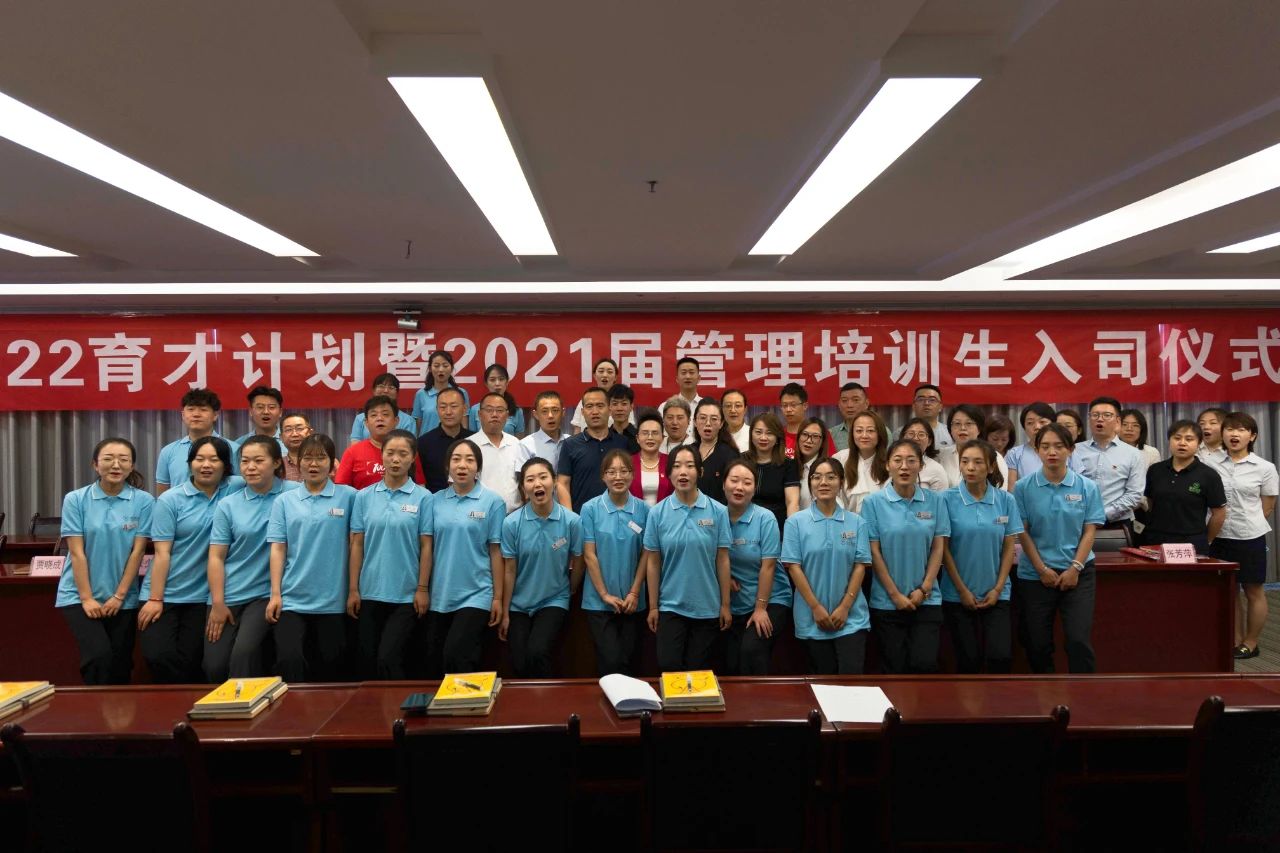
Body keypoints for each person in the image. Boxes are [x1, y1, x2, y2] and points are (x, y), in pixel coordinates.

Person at [138, 436, 244, 683]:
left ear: (226, 465)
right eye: (199, 459)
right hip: (165, 592)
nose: (206, 465)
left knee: (192, 663)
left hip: (202, 597)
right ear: (189, 464)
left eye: (214, 459)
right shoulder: (170, 500)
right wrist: (155, 598)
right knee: (158, 655)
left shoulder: (236, 488)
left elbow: (271, 481)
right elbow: (162, 553)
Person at [57, 437, 153, 685]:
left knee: (121, 663)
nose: (116, 465)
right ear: (95, 465)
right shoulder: (76, 499)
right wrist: (87, 598)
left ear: (131, 466)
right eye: (108, 459)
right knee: (98, 657)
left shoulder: (144, 501)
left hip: (123, 597)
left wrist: (119, 596)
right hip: (78, 595)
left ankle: (120, 711)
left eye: (123, 459)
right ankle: (95, 709)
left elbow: (137, 552)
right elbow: (77, 553)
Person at [204, 436, 299, 683]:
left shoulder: (294, 494)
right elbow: (216, 556)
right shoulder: (228, 504)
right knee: (214, 666)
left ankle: (243, 707)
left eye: (258, 461)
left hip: (265, 593)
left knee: (244, 655)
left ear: (276, 462)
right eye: (245, 461)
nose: (250, 467)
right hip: (229, 592)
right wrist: (217, 603)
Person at [1014, 422, 1106, 674]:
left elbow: (1090, 531)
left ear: (1071, 449)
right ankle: (1044, 693)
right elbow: (1022, 532)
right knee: (1037, 643)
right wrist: (1042, 569)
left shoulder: (1086, 487)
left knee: (1078, 640)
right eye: (1045, 446)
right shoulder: (1023, 487)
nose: (1051, 452)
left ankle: (1083, 691)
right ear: (1037, 450)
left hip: (1078, 572)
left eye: (1058, 446)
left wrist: (1075, 567)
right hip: (1035, 575)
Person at [266, 433, 357, 682]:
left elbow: (357, 545)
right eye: (307, 458)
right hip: (293, 598)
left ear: (332, 463)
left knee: (331, 665)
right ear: (298, 462)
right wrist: (275, 594)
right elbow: (278, 548)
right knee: (289, 660)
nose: (313, 464)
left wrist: (353, 590)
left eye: (321, 458)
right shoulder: (284, 501)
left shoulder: (350, 496)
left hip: (334, 600)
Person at [347, 431, 432, 679]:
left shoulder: (424, 498)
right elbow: (357, 544)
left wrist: (422, 588)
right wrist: (353, 589)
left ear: (413, 458)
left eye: (403, 454)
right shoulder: (363, 497)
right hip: (369, 591)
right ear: (381, 456)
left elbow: (426, 546)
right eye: (390, 453)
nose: (396, 459)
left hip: (407, 594)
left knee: (389, 657)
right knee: (368, 661)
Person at [861, 439, 950, 674]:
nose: (904, 467)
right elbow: (874, 552)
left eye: (911, 461)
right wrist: (895, 595)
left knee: (924, 664)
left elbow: (938, 548)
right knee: (894, 668)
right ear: (887, 465)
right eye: (898, 460)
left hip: (927, 599)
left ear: (921, 465)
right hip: (887, 601)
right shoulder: (873, 503)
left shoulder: (936, 501)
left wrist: (924, 589)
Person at [420, 438, 506, 675]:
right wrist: (422, 588)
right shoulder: (433, 501)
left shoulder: (493, 502)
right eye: (456, 459)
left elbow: (496, 552)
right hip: (440, 594)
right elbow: (427, 547)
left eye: (469, 460)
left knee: (456, 654)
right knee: (434, 661)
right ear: (447, 466)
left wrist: (498, 598)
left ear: (478, 467)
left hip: (477, 593)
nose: (462, 465)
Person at [643, 445, 732, 671]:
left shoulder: (718, 511)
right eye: (676, 466)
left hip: (707, 607)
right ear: (668, 473)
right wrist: (653, 606)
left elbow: (722, 560)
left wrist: (725, 604)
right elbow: (653, 562)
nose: (683, 472)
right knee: (669, 667)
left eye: (690, 466)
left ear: (700, 472)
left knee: (698, 671)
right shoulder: (657, 513)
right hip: (670, 606)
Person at [781, 458, 871, 675]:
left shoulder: (857, 522)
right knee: (822, 683)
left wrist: (845, 607)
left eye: (831, 477)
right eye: (817, 477)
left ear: (841, 483)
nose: (823, 482)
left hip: (851, 616)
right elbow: (793, 567)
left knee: (852, 682)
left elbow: (860, 566)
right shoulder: (795, 522)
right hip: (812, 616)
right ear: (810, 483)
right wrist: (815, 607)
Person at [940, 440, 1022, 674]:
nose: (970, 467)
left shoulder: (1005, 500)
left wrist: (997, 589)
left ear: (991, 467)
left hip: (997, 592)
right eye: (965, 462)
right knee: (968, 661)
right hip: (957, 594)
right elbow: (943, 550)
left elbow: (1008, 548)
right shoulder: (946, 499)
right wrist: (962, 590)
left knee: (1000, 657)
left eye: (977, 462)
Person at [500, 457, 584, 677]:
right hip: (518, 603)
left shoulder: (572, 521)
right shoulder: (511, 523)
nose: (537, 483)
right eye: (530, 479)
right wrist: (506, 612)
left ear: (554, 481)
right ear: (523, 488)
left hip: (554, 599)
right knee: (519, 661)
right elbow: (509, 570)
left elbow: (579, 560)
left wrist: (571, 588)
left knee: (538, 651)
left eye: (543, 477)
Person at [1206, 412, 1278, 660]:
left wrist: (1248, 523)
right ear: (1223, 434)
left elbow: (1268, 506)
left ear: (1252, 436)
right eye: (1229, 429)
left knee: (1253, 589)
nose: (1234, 434)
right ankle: (1234, 639)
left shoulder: (1265, 467)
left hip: (1249, 536)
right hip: (1218, 535)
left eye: (1241, 430)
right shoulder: (1210, 464)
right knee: (1229, 590)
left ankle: (1251, 641)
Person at [580, 450, 650, 675]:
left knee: (629, 662)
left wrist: (635, 593)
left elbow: (646, 554)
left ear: (632, 475)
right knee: (610, 660)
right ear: (603, 476)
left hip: (632, 601)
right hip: (599, 601)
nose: (618, 477)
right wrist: (604, 595)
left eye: (624, 471)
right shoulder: (590, 509)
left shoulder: (644, 510)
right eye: (611, 472)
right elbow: (589, 555)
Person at [722, 459, 788, 675]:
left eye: (747, 482)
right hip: (735, 602)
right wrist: (724, 577)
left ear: (754, 489)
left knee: (751, 652)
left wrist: (760, 609)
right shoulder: (716, 517)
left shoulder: (765, 518)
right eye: (734, 480)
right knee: (730, 664)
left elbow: (768, 567)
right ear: (724, 484)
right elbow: (711, 557)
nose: (739, 487)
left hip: (771, 599)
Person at [1142, 420, 1226, 554]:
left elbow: (1219, 514)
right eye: (1177, 438)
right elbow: (1151, 502)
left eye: (1189, 439)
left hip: (1192, 542)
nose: (1182, 443)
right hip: (1156, 539)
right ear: (1169, 441)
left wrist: (1206, 540)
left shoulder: (1209, 475)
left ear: (1199, 443)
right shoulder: (1155, 470)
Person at [1074, 396, 1145, 535]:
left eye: (1106, 415)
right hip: (1078, 522)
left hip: (1118, 524)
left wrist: (1103, 515)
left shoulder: (1133, 454)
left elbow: (1135, 494)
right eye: (1095, 415)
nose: (1100, 419)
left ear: (1118, 421)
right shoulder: (1074, 450)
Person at [557, 387, 630, 512]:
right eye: (589, 406)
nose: (595, 411)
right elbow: (562, 483)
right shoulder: (570, 444)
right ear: (582, 412)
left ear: (609, 410)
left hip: (618, 514)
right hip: (581, 517)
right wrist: (570, 516)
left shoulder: (622, 442)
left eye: (600, 406)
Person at [336, 395, 425, 490]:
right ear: (366, 423)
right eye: (374, 415)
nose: (379, 418)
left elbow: (420, 486)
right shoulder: (352, 452)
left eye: (385, 414)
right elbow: (341, 490)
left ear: (396, 421)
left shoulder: (407, 451)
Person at [154, 387, 227, 494]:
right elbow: (162, 494)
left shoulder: (232, 448)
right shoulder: (168, 451)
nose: (196, 414)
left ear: (215, 415)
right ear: (183, 415)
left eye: (203, 409)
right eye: (191, 409)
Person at [745, 412, 800, 531]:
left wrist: (791, 531)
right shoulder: (741, 461)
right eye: (758, 432)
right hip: (744, 525)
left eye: (769, 433)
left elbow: (792, 502)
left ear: (777, 437)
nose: (763, 437)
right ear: (751, 434)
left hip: (776, 527)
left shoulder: (788, 464)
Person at [473, 392, 525, 514]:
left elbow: (523, 480)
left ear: (507, 415)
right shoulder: (469, 446)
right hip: (481, 516)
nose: (495, 415)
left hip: (514, 515)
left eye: (500, 410)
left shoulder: (516, 444)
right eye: (489, 410)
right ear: (480, 414)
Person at [938, 405, 1009, 489]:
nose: (963, 428)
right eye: (957, 423)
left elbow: (1000, 491)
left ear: (979, 429)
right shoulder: (940, 455)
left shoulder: (994, 456)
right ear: (950, 429)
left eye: (969, 423)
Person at [417, 387, 472, 493]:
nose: (448, 412)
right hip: (434, 500)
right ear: (437, 409)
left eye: (454, 406)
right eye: (443, 407)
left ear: (465, 409)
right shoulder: (423, 443)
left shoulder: (474, 440)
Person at [833, 410, 889, 513]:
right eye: (859, 431)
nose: (864, 435)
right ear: (852, 434)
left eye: (870, 431)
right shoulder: (840, 458)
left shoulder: (890, 462)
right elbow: (833, 495)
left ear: (880, 433)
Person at [690, 399, 740, 503]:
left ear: (721, 423)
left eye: (714, 419)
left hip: (718, 511)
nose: (708, 423)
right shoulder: (688, 452)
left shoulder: (730, 455)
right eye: (702, 418)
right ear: (694, 422)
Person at [412, 349, 471, 435]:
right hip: (427, 441)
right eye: (436, 366)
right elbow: (418, 426)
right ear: (430, 368)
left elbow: (464, 424)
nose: (441, 369)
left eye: (445, 366)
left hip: (455, 441)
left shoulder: (461, 393)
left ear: (451, 368)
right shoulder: (421, 394)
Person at [349, 373, 416, 445]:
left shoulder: (408, 420)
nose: (386, 390)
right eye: (381, 386)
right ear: (374, 390)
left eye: (391, 387)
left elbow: (409, 446)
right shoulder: (360, 418)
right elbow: (355, 443)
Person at [570, 358, 632, 432]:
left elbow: (629, 427)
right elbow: (577, 429)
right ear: (594, 375)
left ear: (615, 377)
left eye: (609, 372)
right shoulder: (586, 400)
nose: (605, 375)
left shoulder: (623, 402)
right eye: (601, 371)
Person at [1005, 402, 1057, 489]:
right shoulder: (1014, 454)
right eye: (1030, 423)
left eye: (1042, 422)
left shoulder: (1065, 451)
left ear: (1053, 424)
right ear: (1024, 428)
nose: (1037, 427)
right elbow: (1012, 491)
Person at [779, 383, 835, 459]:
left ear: (805, 406)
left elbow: (831, 462)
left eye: (793, 405)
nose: (788, 410)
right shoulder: (777, 435)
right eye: (785, 405)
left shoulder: (819, 433)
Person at [467, 363, 525, 437]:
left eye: (501, 379)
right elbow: (472, 438)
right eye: (492, 380)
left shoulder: (517, 411)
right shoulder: (475, 409)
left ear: (507, 382)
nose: (497, 384)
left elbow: (519, 439)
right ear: (486, 383)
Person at [234, 386, 287, 460]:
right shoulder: (239, 444)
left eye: (271, 407)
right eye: (260, 407)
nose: (266, 412)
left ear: (280, 412)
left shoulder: (289, 441)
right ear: (251, 411)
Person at [631, 412, 672, 506]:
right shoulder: (627, 463)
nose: (650, 437)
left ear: (662, 438)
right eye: (645, 433)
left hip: (665, 514)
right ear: (637, 438)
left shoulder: (671, 462)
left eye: (655, 433)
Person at [519, 391, 568, 468]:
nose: (550, 416)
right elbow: (522, 475)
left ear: (563, 412)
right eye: (544, 411)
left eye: (555, 410)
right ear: (536, 414)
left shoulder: (571, 441)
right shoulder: (526, 445)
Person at [900, 419, 948, 492]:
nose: (916, 438)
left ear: (929, 441)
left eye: (921, 434)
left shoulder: (936, 469)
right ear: (903, 437)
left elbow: (941, 498)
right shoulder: (893, 463)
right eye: (911, 434)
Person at [795, 417, 833, 509]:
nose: (808, 440)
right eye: (805, 434)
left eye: (815, 436)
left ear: (822, 441)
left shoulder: (829, 469)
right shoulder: (789, 466)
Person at [829, 382, 869, 452]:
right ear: (839, 405)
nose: (849, 405)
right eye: (844, 401)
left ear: (866, 404)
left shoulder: (880, 431)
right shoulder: (831, 434)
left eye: (856, 400)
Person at [911, 383, 952, 449]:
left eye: (932, 400)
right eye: (921, 399)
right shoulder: (902, 433)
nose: (926, 403)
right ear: (913, 406)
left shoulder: (950, 432)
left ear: (940, 407)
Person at [607, 384, 641, 451]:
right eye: (615, 404)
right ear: (609, 407)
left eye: (624, 404)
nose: (619, 408)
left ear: (631, 407)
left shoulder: (639, 437)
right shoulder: (604, 437)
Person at [280, 412, 312, 482]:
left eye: (299, 428)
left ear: (310, 433)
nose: (294, 434)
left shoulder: (324, 462)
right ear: (281, 437)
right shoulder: (277, 466)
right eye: (288, 430)